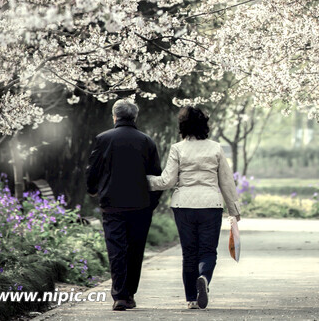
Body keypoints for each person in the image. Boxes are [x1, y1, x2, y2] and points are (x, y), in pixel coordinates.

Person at [148, 106, 241, 310]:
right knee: (208, 250)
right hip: (210, 204)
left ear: (182, 126)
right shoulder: (216, 148)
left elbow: (167, 181)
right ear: (204, 125)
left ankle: (191, 298)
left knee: (189, 253)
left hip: (184, 205)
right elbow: (226, 181)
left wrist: (144, 181)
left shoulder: (178, 148)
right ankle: (204, 278)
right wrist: (234, 209)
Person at [86, 99, 162, 311]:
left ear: (115, 116)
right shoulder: (147, 141)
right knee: (136, 250)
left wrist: (93, 189)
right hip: (140, 206)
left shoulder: (103, 139)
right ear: (135, 117)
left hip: (112, 204)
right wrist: (151, 204)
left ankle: (119, 295)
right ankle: (129, 294)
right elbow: (156, 177)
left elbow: (92, 169)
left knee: (116, 248)